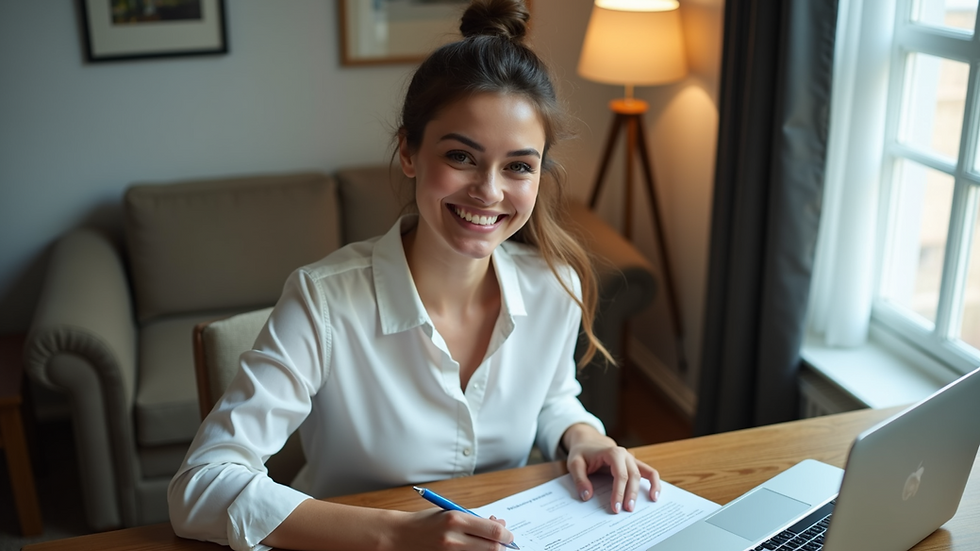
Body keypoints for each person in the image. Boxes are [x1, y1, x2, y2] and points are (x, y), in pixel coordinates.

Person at [168, 1, 661, 549]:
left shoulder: (554, 286)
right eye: (461, 156)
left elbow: (550, 396)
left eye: (519, 165)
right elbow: (200, 485)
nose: (490, 192)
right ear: (409, 152)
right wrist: (396, 535)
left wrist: (582, 436)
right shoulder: (322, 301)